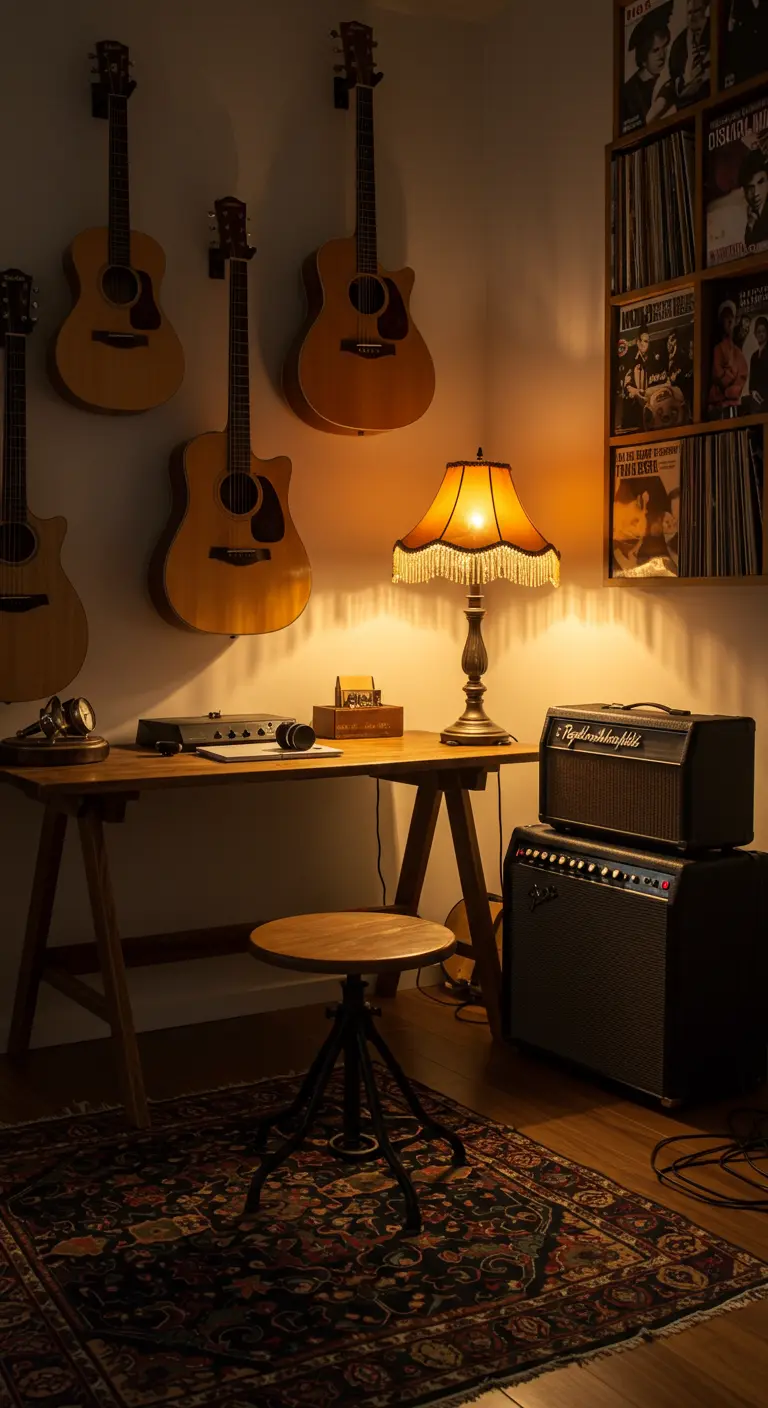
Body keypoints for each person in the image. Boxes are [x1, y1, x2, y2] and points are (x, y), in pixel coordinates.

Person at [622, 4, 676, 131]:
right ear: (643, 58)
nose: (662, 55)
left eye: (664, 47)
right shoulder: (628, 93)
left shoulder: (669, 75)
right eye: (655, 50)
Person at [708, 300, 748, 416]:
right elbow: (717, 373)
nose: (729, 321)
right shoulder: (717, 349)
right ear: (721, 322)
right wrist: (730, 377)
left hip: (734, 403)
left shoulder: (738, 352)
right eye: (726, 318)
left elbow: (742, 375)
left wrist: (734, 389)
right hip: (719, 403)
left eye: (731, 317)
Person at [669, 0, 710, 105]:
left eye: (696, 11)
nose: (691, 18)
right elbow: (677, 89)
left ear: (706, 10)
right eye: (689, 13)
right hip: (688, 104)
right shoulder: (678, 45)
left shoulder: (716, 28)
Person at [739, 148, 768, 254]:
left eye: (761, 182)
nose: (756, 193)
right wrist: (750, 225)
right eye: (750, 188)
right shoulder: (753, 215)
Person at [748, 314, 768, 410]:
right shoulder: (754, 356)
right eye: (758, 332)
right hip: (756, 400)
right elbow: (752, 383)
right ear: (755, 334)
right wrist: (753, 392)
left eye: (763, 331)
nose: (761, 334)